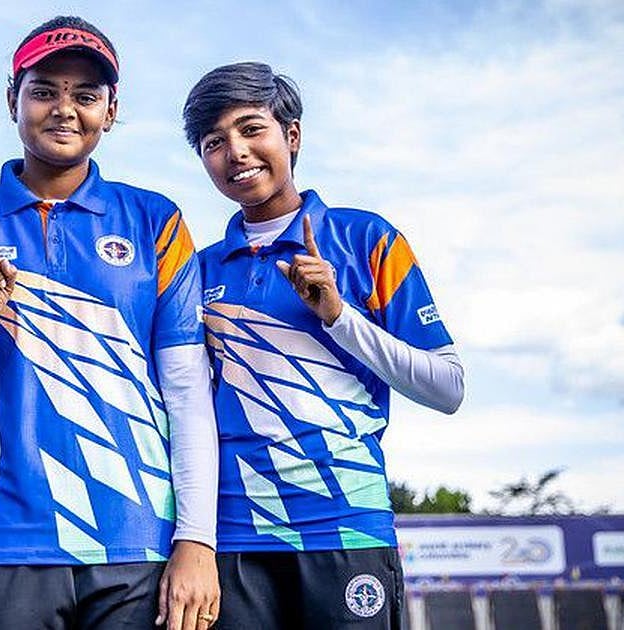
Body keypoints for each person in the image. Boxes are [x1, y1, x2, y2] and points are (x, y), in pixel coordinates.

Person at [0, 15, 221, 630]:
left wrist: (196, 541)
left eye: (86, 95)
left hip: (136, 547)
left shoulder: (156, 221)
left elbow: (186, 394)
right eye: (44, 90)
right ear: (11, 99)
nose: (64, 110)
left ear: (111, 108)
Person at [182, 62, 465, 629]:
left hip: (348, 528)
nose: (235, 151)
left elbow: (447, 388)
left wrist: (339, 316)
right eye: (215, 142)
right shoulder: (195, 269)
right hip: (233, 539)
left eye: (250, 128)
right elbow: (171, 397)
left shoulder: (366, 238)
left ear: (292, 135)